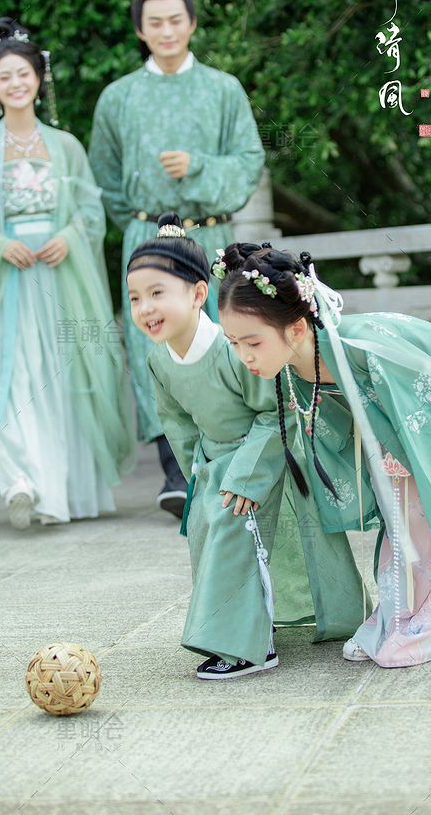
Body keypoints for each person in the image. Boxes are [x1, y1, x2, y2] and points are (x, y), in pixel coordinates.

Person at [216, 242, 431, 668]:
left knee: (428, 519)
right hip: (394, 429)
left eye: (252, 342)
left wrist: (403, 451)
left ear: (296, 329)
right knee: (398, 522)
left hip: (428, 411)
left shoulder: (364, 349)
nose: (244, 356)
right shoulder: (295, 364)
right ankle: (395, 616)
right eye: (234, 343)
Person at [126, 213, 370, 678]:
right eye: (135, 298)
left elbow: (274, 412)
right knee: (209, 535)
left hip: (263, 455)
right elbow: (177, 423)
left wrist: (245, 476)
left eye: (158, 293)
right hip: (215, 463)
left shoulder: (233, 348)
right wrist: (197, 473)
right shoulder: (159, 361)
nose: (145, 308)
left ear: (198, 294)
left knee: (234, 532)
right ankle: (249, 627)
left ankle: (248, 647)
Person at [0, 17, 135, 530]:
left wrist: (68, 235)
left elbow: (89, 212)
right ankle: (19, 482)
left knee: (63, 377)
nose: (16, 83)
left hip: (59, 275)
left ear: (40, 78)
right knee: (1, 374)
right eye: (4, 76)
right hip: (1, 283)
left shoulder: (65, 146)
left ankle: (64, 494)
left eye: (23, 73)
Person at [89, 0, 265, 518]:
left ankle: (234, 458)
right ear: (140, 31)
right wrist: (142, 225)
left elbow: (249, 160)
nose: (166, 31)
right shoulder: (118, 97)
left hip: (209, 234)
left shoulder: (223, 89)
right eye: (155, 23)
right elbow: (105, 176)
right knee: (158, 339)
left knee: (222, 336)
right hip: (148, 238)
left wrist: (199, 168)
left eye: (175, 20)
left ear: (191, 24)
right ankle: (176, 471)